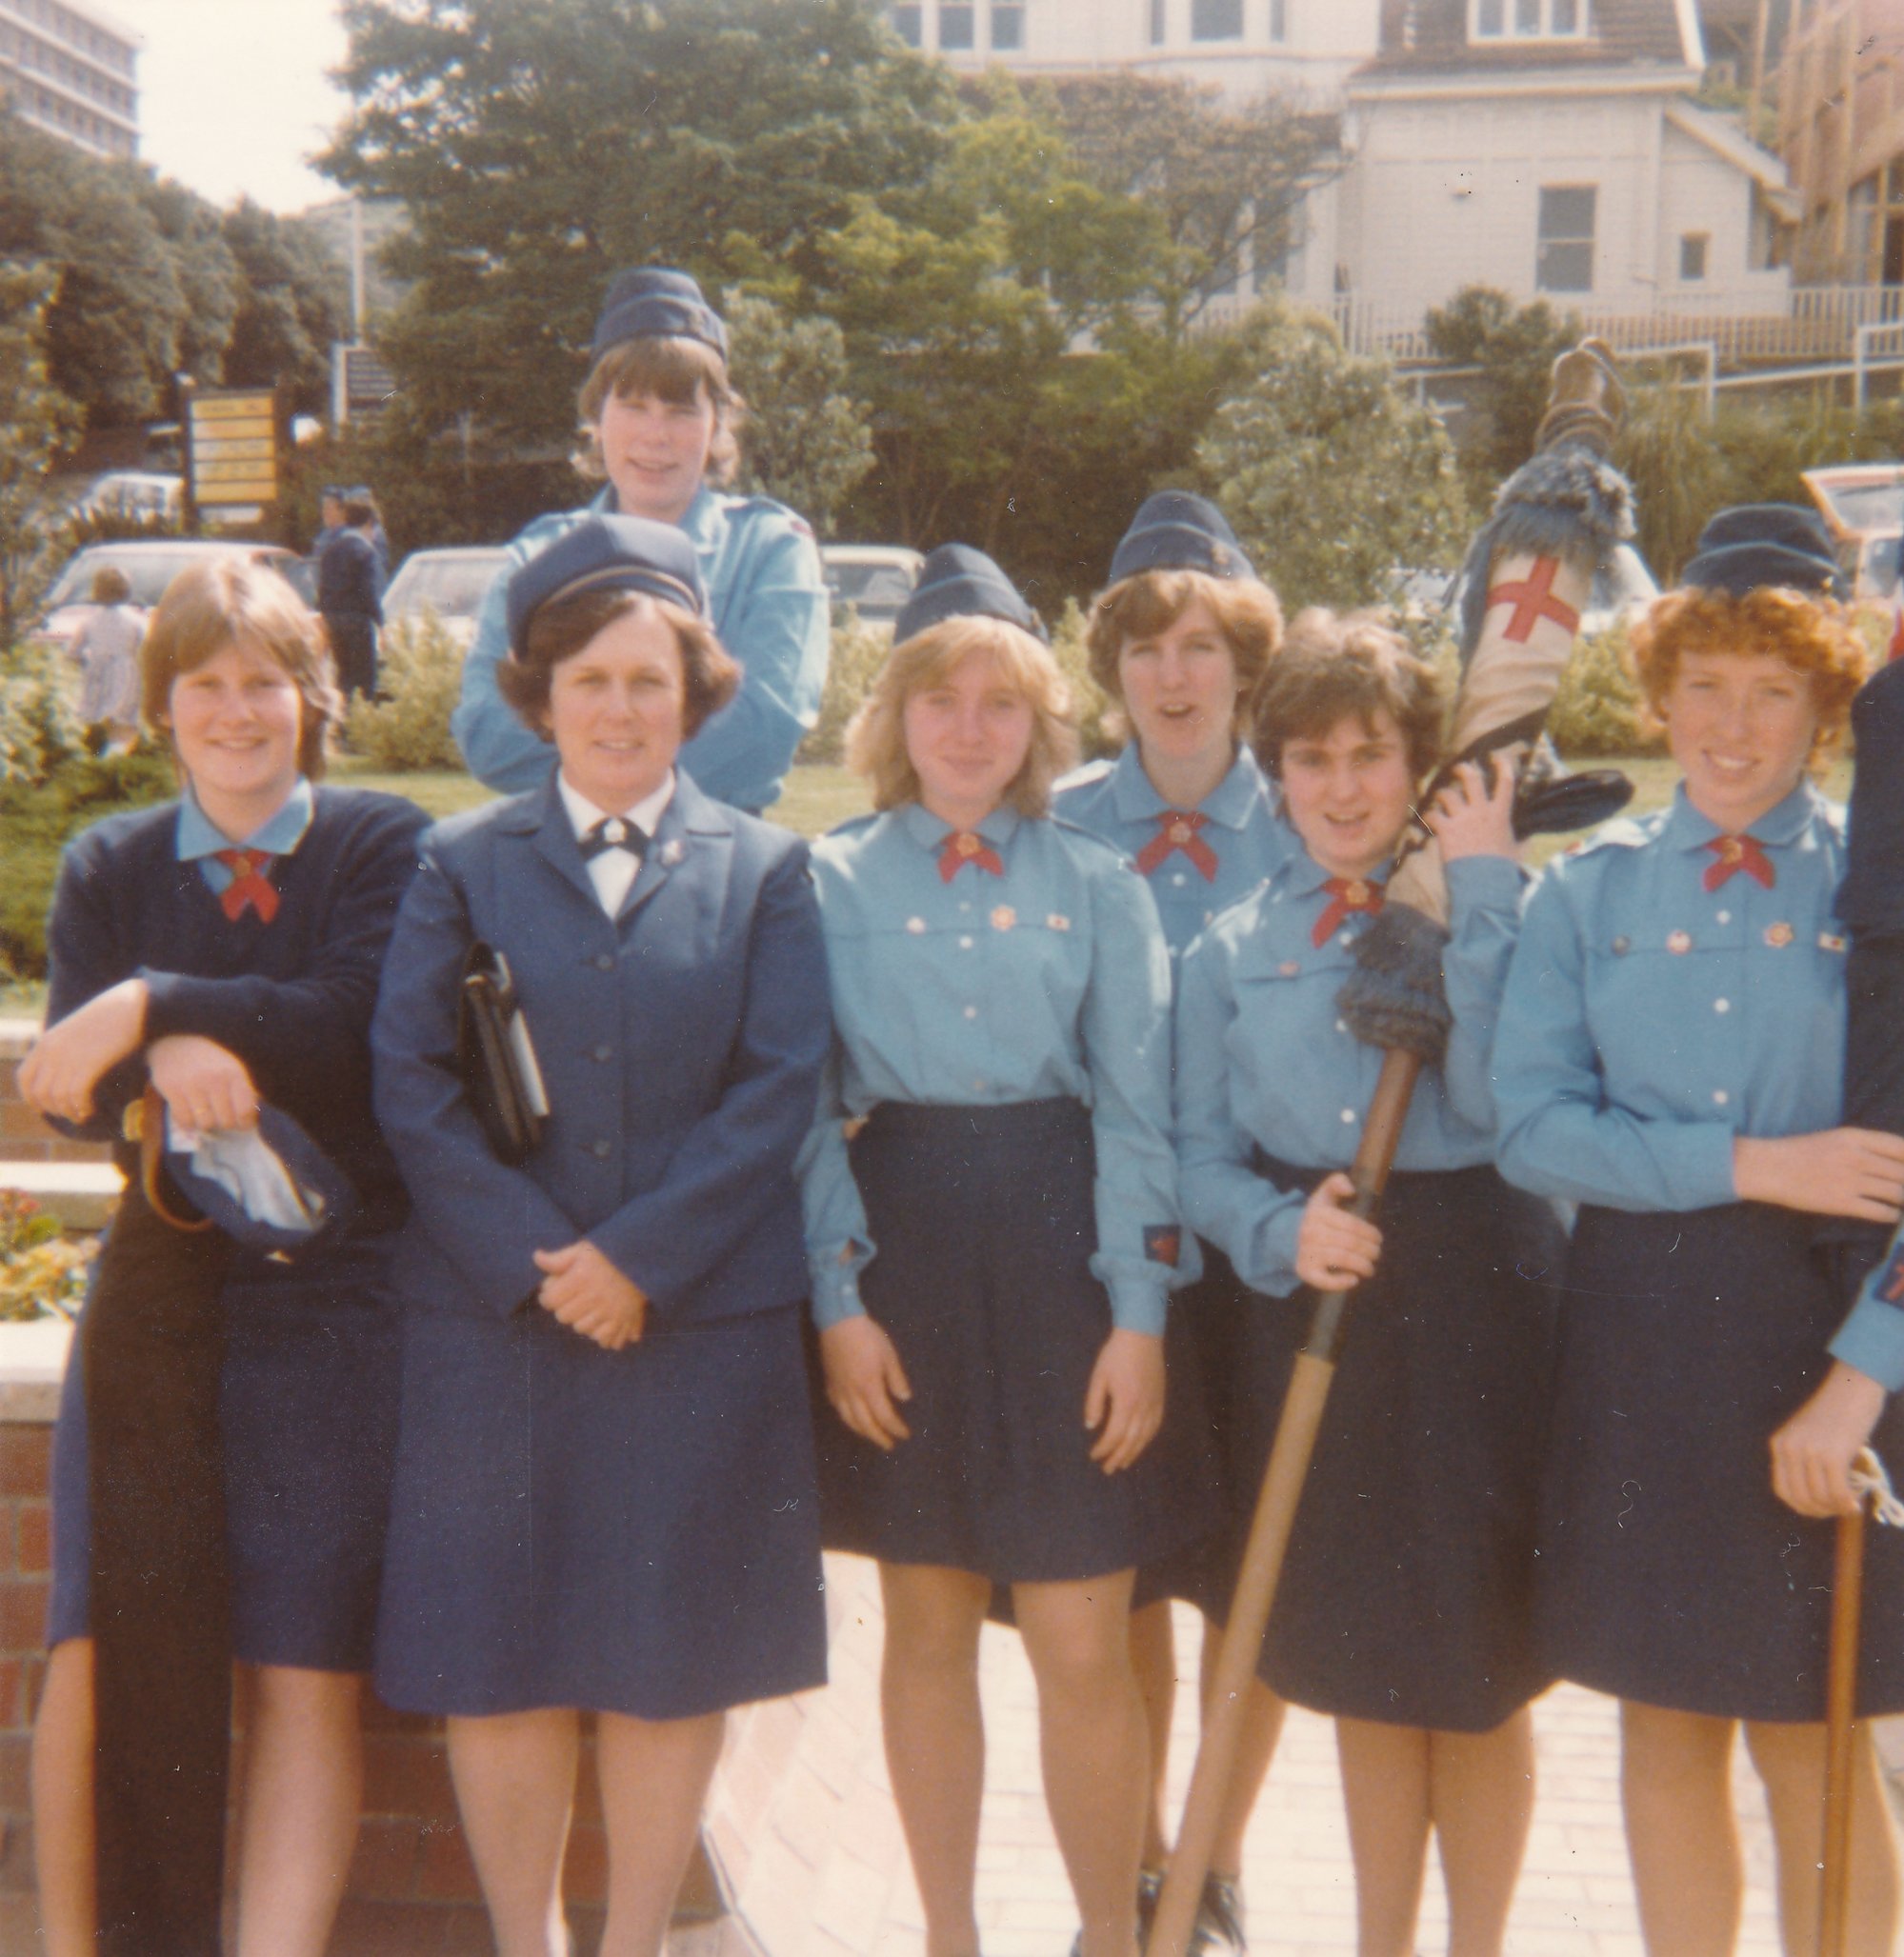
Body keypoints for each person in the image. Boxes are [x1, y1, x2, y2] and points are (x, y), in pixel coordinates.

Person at [370, 513, 832, 1957]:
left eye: (648, 679)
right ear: (540, 698)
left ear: (692, 693)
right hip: (498, 1332)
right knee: (499, 1668)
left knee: (663, 1662)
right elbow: (409, 1081)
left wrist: (639, 1258)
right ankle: (531, 1939)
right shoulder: (461, 861)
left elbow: (779, 1089)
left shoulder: (765, 869)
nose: (621, 707)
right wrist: (542, 1262)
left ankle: (630, 1938)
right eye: (589, 680)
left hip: (690, 1331)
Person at [1493, 503, 1904, 1957]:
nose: (1732, 727)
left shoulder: (1880, 890)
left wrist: (1866, 1362)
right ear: (1658, 697)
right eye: (1704, 686)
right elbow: (1529, 1123)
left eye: (1773, 690)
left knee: (1813, 1733)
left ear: (1824, 705)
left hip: (1826, 1340)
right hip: (1642, 1341)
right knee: (1662, 1721)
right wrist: (1755, 1161)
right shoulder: (1587, 893)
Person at [801, 546, 1208, 1957]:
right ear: (892, 719)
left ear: (1040, 726)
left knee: (1081, 1627)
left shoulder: (1096, 882)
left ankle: (1109, 1929)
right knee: (921, 1621)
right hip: (900, 1249)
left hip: (1061, 1256)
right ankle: (949, 1932)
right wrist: (837, 1300)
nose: (966, 728)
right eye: (936, 700)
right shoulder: (825, 877)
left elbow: (1139, 1112)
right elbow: (804, 1115)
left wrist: (1137, 1313)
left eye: (998, 703)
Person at [19, 557, 427, 1957]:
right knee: (98, 1645)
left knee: (305, 1661)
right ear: (164, 702)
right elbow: (70, 1088)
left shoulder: (382, 844)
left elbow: (361, 1023)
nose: (236, 711)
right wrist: (155, 1055)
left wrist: (162, 1003)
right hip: (163, 1295)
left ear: (311, 696)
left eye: (264, 680)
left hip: (337, 1302)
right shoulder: (110, 864)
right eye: (205, 684)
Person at [1174, 609, 1561, 1957]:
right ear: (1273, 770)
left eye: (1372, 755)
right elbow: (1193, 1160)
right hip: (1318, 1298)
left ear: (1420, 770)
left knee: (1474, 1662)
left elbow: (1510, 1091)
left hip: (1476, 1294)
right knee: (1363, 1661)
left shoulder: (1482, 906)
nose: (1341, 787)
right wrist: (1281, 1231)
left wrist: (1475, 895)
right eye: (1310, 756)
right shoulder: (1225, 946)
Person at [1052, 491, 1292, 1950]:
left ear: (1241, 660)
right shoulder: (1063, 820)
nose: (1173, 672)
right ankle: (1137, 1858)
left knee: (1246, 1574)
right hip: (1114, 1253)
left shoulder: (1319, 809)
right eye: (1143, 644)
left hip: (1262, 1252)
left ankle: (1213, 1851)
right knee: (1126, 1565)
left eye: (1199, 642)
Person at [452, 267, 830, 815]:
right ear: (596, 416)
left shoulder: (771, 549)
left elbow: (764, 730)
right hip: (558, 871)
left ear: (717, 424)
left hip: (718, 866)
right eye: (633, 406)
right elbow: (488, 738)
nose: (656, 435)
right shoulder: (537, 555)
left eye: (681, 410)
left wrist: (597, 765)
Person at [66, 565, 144, 751]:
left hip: (97, 672)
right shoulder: (135, 620)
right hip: (126, 673)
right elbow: (143, 649)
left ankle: (97, 753)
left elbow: (73, 652)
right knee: (123, 719)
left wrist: (87, 663)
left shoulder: (90, 621)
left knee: (98, 717)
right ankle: (115, 756)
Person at [315, 492, 385, 700]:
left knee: (342, 679)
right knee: (365, 680)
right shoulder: (365, 551)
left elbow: (322, 589)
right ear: (370, 523)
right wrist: (381, 623)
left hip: (334, 621)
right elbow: (369, 592)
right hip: (357, 622)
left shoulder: (330, 549)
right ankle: (361, 726)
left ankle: (341, 726)